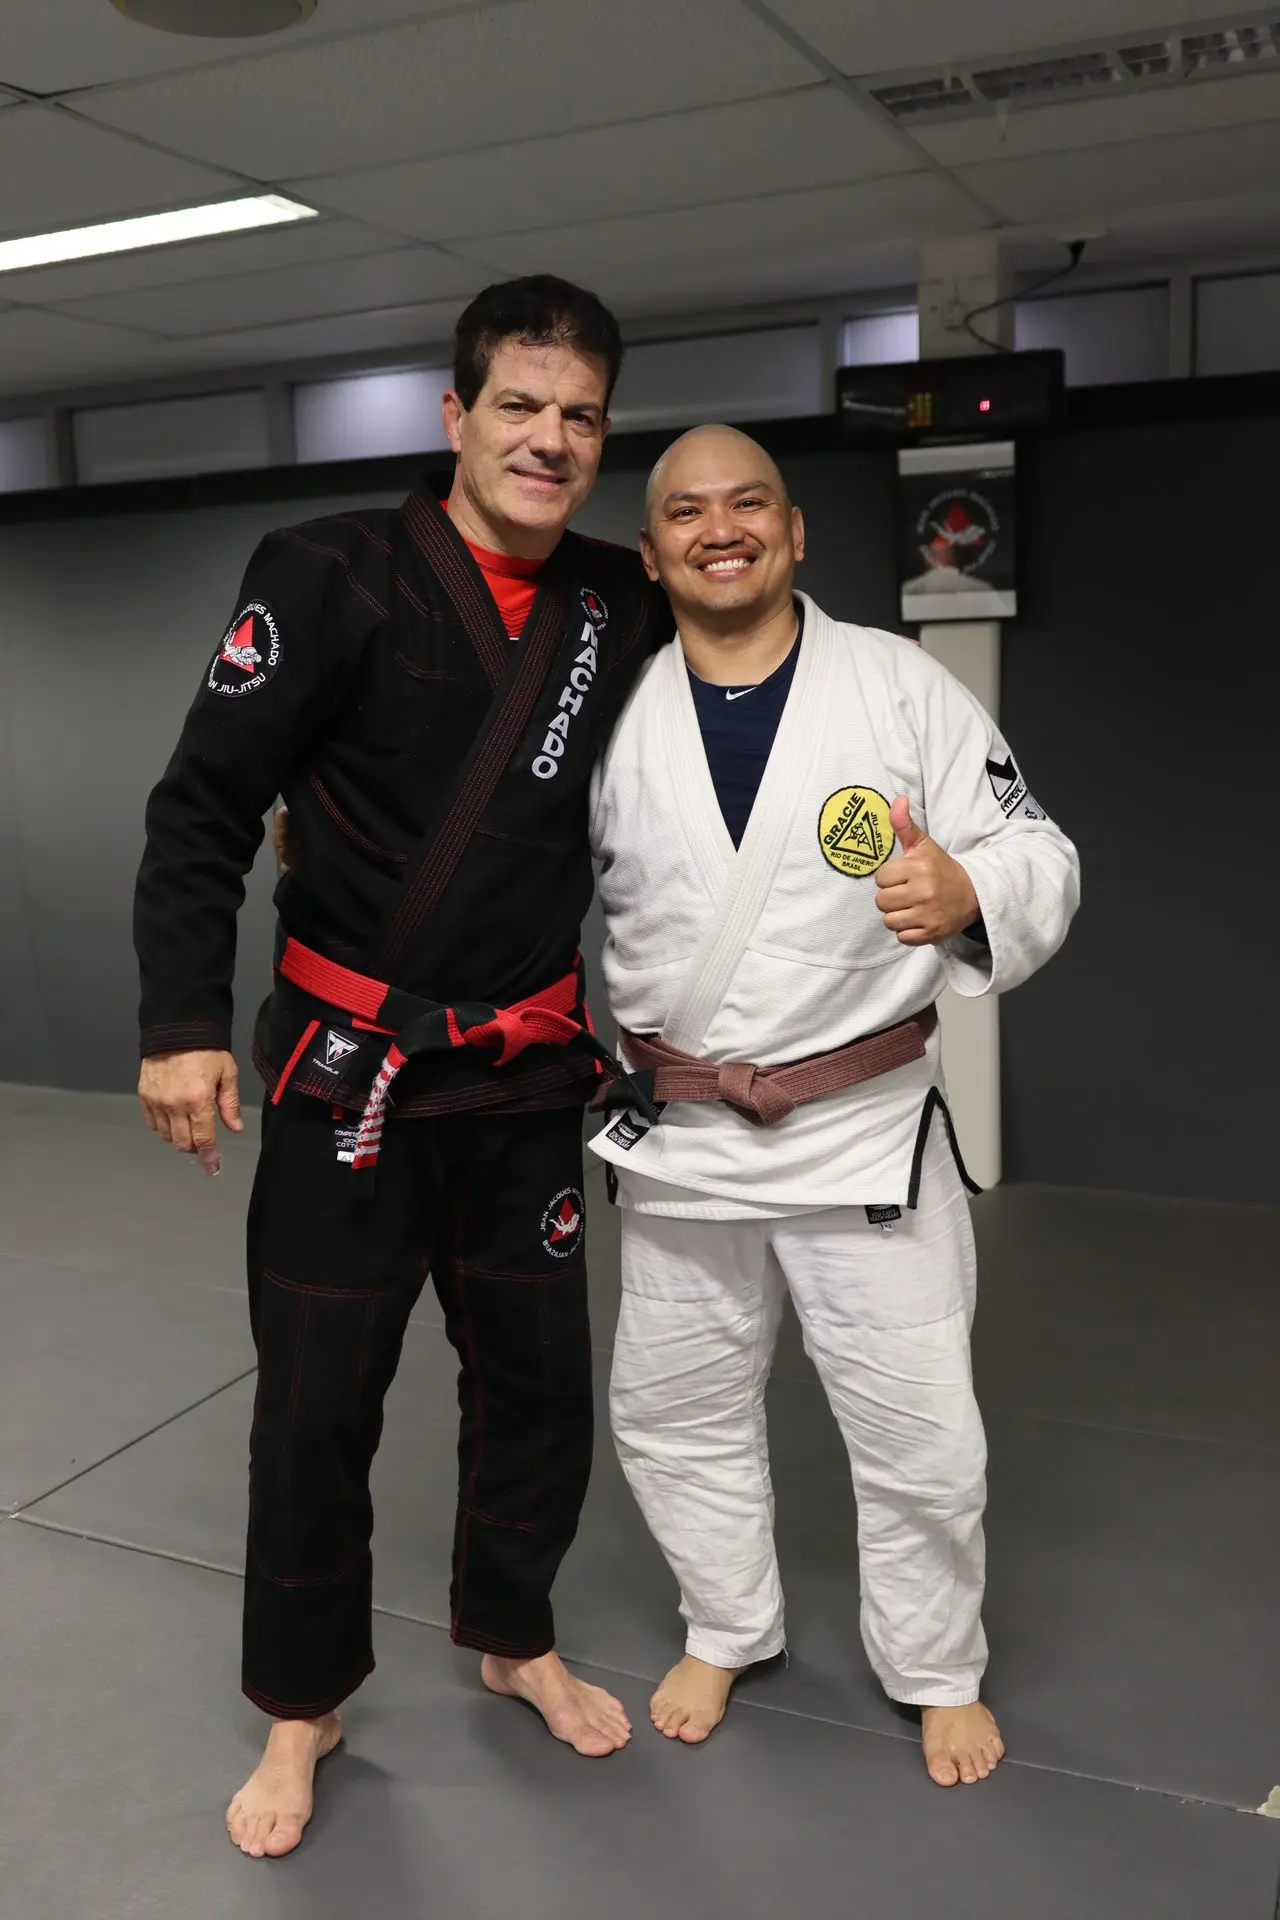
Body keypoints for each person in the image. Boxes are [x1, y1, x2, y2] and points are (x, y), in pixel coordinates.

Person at [133, 276, 671, 1859]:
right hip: (344, 1074)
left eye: (579, 415)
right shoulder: (327, 574)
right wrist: (177, 1024)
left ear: (601, 434)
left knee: (539, 1389)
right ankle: (303, 1707)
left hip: (519, 1076)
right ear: (456, 415)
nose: (549, 439)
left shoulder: (616, 605)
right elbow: (200, 812)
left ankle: (513, 1632)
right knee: (314, 1407)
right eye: (519, 405)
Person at [589, 425, 1080, 1787]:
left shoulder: (897, 687)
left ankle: (936, 1668)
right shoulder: (609, 706)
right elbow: (503, 871)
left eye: (749, 503)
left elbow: (1032, 841)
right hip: (684, 1140)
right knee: (673, 1409)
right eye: (686, 510)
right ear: (652, 551)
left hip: (863, 1130)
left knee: (920, 1430)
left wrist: (973, 892)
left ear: (796, 532)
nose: (719, 526)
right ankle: (726, 1623)